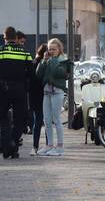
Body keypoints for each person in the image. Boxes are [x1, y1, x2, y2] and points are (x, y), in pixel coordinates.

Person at [0, 27, 33, 158]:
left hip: (3, 88)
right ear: (16, 37)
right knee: (20, 118)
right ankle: (13, 144)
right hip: (20, 89)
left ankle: (7, 145)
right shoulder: (25, 52)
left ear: (5, 37)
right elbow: (31, 73)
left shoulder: (1, 51)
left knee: (3, 118)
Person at [35, 38, 69, 157]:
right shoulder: (47, 60)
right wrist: (43, 62)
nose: (51, 51)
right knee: (47, 120)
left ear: (59, 49)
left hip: (57, 92)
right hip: (47, 92)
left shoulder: (63, 60)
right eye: (49, 49)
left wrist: (53, 60)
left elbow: (58, 73)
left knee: (57, 119)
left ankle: (60, 147)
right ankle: (49, 145)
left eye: (54, 49)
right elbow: (38, 75)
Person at [28, 44, 46, 155]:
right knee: (47, 122)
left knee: (37, 122)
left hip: (35, 96)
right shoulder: (46, 63)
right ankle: (48, 146)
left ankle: (35, 147)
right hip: (45, 95)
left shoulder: (34, 63)